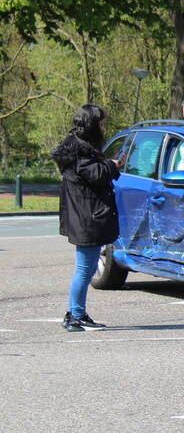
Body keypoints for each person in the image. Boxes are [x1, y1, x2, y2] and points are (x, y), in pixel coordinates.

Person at [51, 105, 124, 332]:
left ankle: (77, 312)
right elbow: (96, 175)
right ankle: (75, 315)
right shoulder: (80, 152)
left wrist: (109, 165)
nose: (103, 127)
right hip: (87, 218)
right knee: (84, 270)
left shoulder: (81, 149)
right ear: (92, 125)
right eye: (101, 123)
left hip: (86, 217)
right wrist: (112, 165)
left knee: (88, 268)